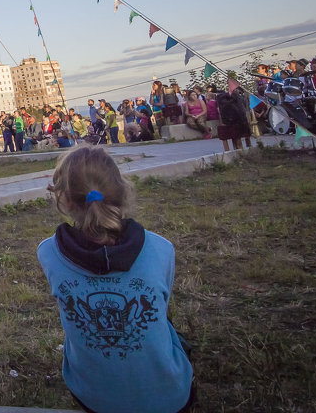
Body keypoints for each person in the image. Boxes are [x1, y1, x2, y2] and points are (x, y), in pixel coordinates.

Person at [37, 146, 194, 413]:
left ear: (63, 199)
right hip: (170, 399)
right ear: (121, 191)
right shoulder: (162, 248)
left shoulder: (48, 253)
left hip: (94, 399)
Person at [215, 86, 252, 153]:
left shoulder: (237, 98)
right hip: (234, 121)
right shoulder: (227, 99)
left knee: (237, 137)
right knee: (237, 137)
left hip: (237, 120)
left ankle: (240, 150)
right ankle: (240, 150)